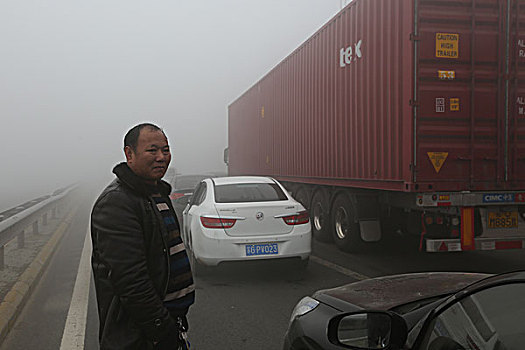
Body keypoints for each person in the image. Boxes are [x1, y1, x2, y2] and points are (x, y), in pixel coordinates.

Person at [91, 123, 195, 350]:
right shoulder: (117, 202)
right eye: (152, 150)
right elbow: (131, 280)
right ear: (129, 154)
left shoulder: (157, 194)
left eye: (166, 150)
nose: (161, 157)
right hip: (139, 335)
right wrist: (162, 330)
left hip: (165, 324)